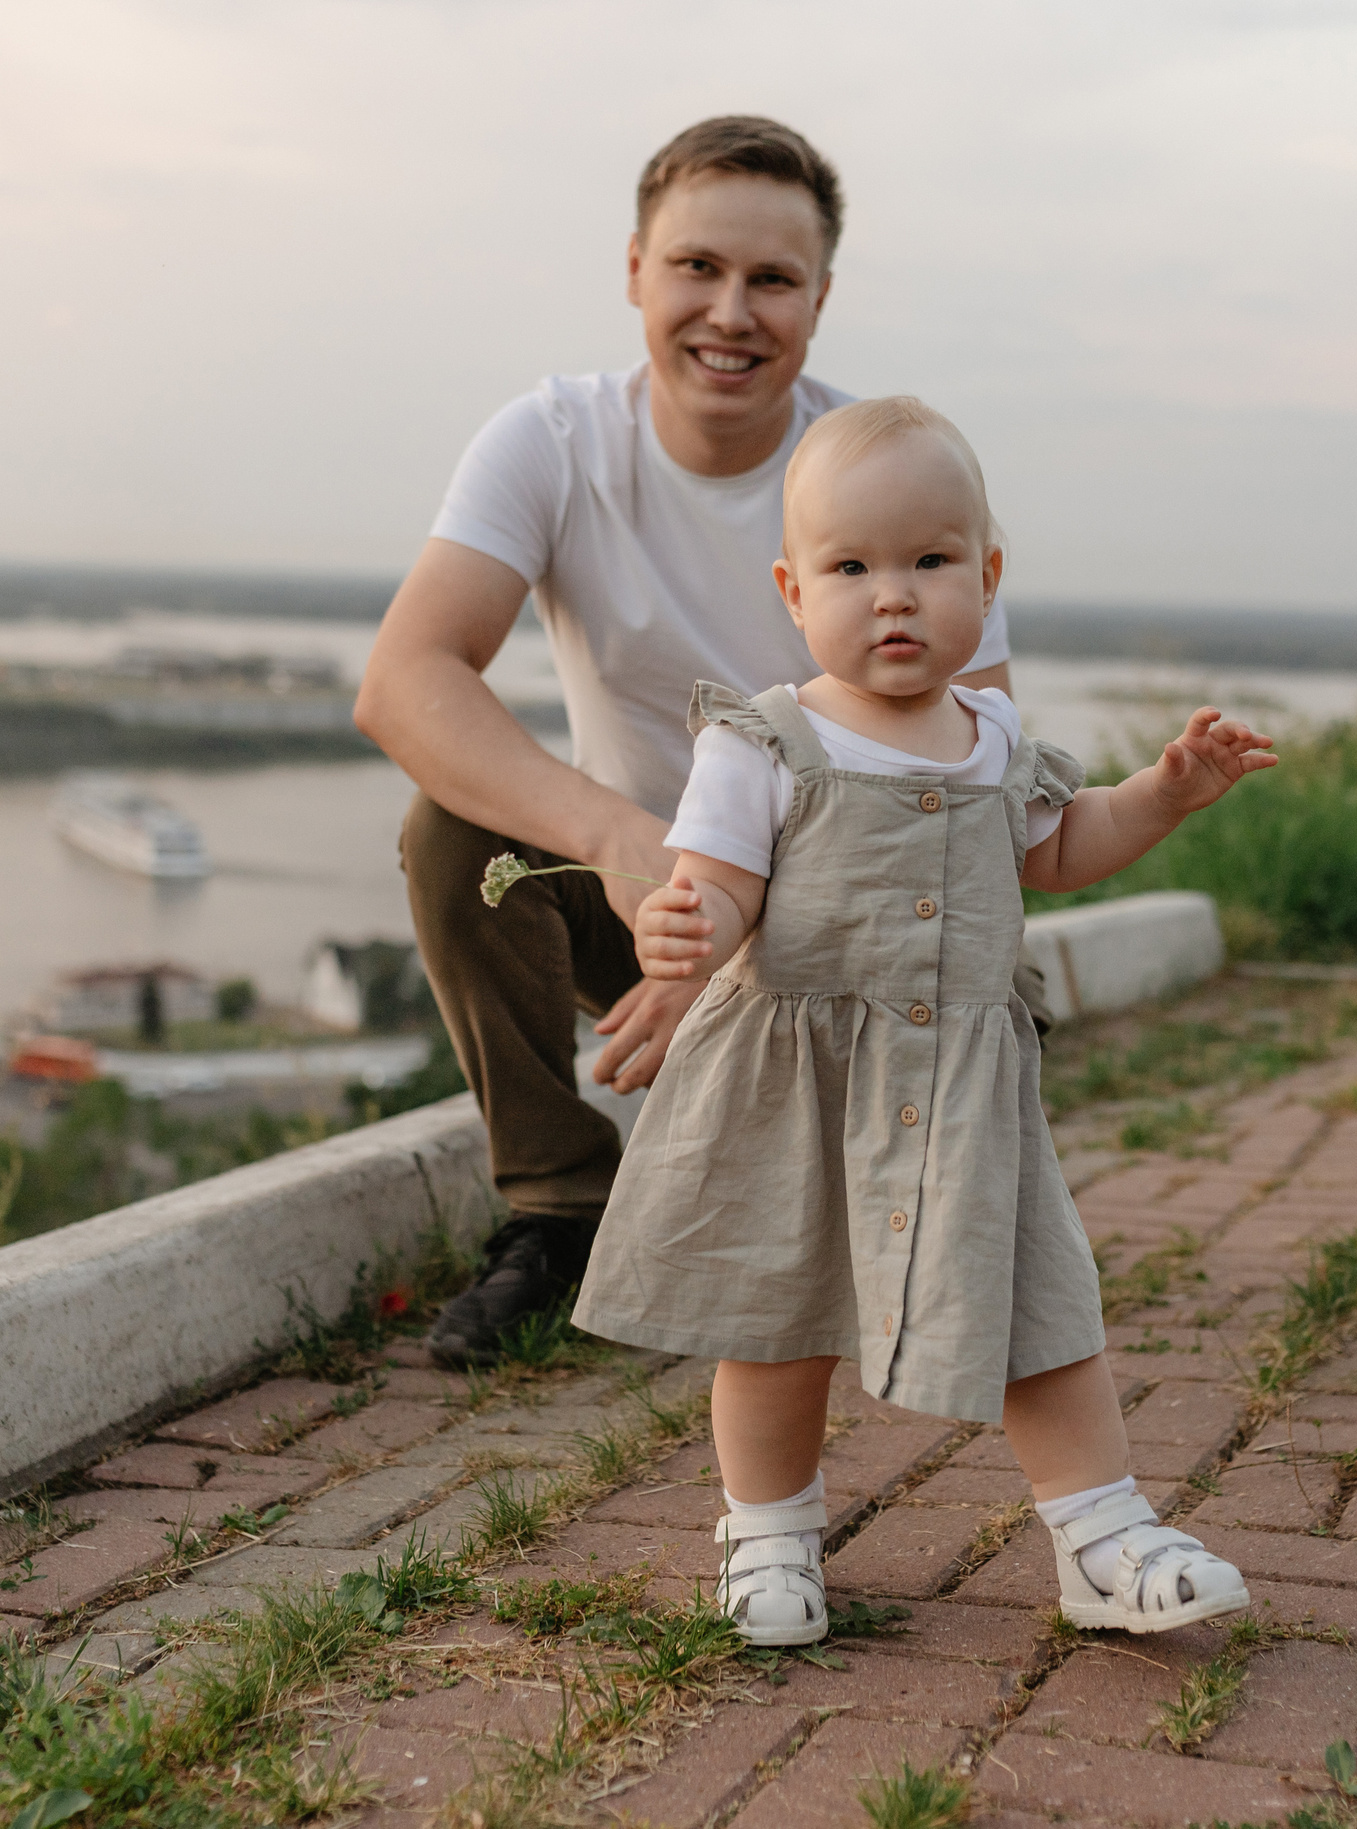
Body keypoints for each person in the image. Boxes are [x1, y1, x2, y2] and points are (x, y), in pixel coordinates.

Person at [572, 396, 1277, 1645]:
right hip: (797, 1080)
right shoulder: (766, 741)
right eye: (851, 568)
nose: (891, 596)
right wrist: (684, 928)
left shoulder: (995, 738)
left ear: (986, 579)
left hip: (960, 1084)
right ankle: (769, 1537)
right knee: (775, 1317)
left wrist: (1165, 793)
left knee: (1038, 1306)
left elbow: (1058, 847)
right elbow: (721, 885)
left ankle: (1102, 1539)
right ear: (794, 591)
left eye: (929, 562)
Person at [355, 116, 1036, 1367]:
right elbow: (404, 683)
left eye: (772, 279)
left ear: (819, 301)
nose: (730, 310)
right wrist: (627, 844)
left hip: (861, 945)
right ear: (633, 270)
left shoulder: (884, 489)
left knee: (909, 1233)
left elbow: (976, 796)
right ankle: (557, 1210)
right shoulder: (553, 441)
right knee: (453, 830)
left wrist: (745, 939)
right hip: (648, 907)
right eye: (696, 267)